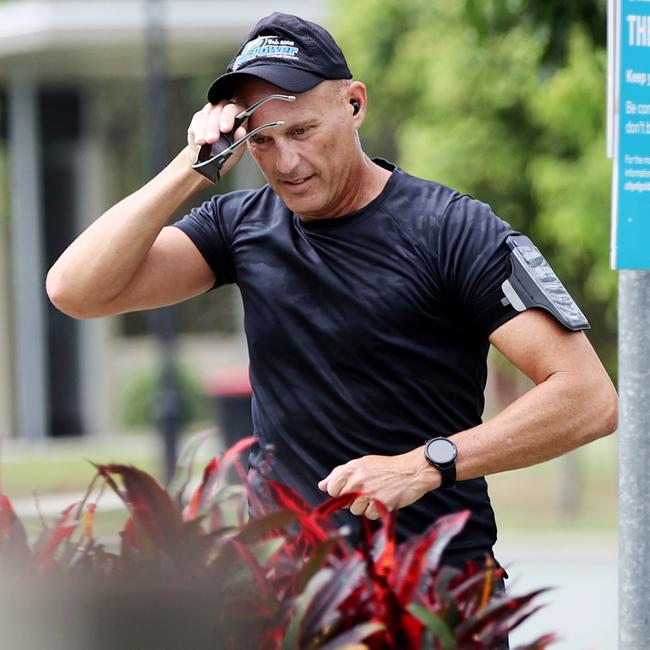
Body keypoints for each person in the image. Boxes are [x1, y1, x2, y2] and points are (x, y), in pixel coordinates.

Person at [47, 13, 617, 571]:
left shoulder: (454, 229)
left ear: (354, 105)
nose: (286, 162)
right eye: (262, 141)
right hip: (293, 597)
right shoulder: (239, 226)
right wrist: (193, 165)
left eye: (302, 132)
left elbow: (588, 398)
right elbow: (76, 290)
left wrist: (424, 465)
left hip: (432, 594)